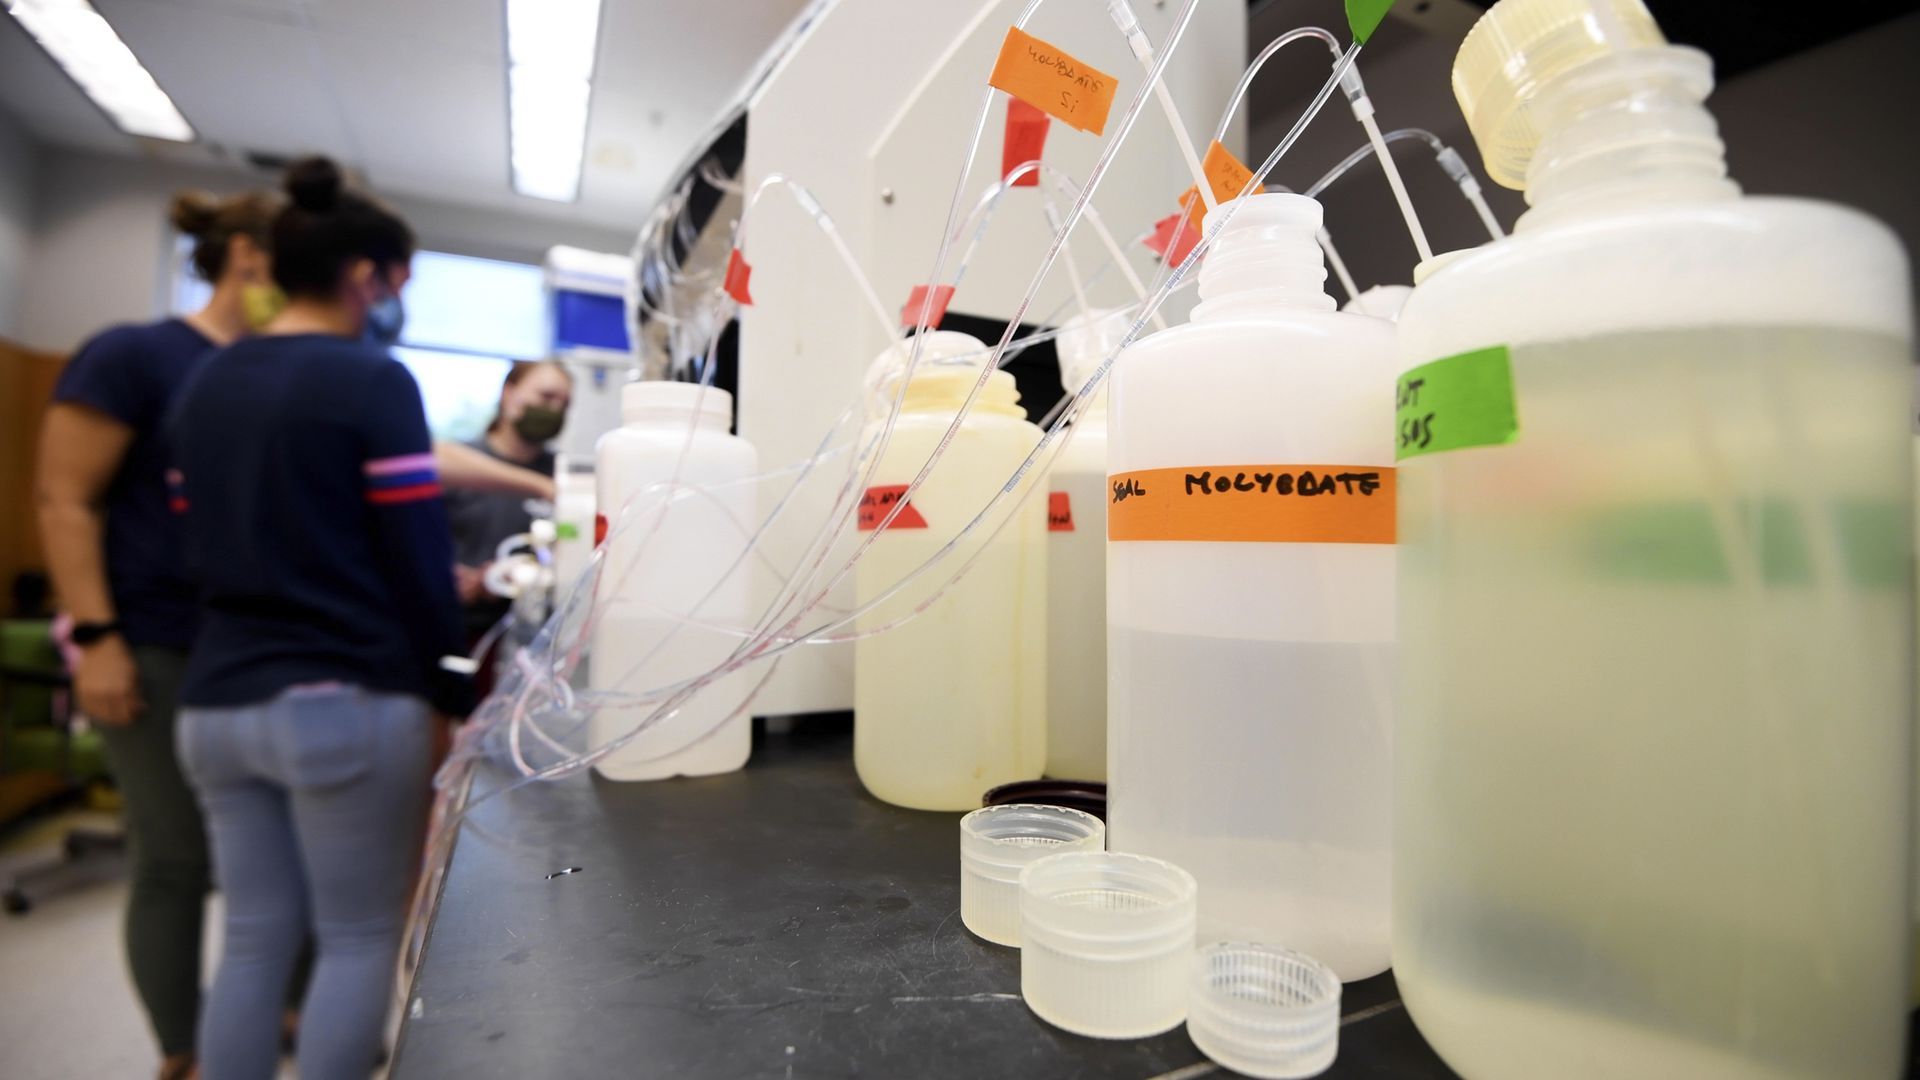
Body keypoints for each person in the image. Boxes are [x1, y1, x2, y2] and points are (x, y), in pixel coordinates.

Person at [168, 156, 472, 1080]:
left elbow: (200, 546)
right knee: (357, 937)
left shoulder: (204, 384)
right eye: (399, 282)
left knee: (255, 942)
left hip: (214, 703)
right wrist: (446, 683)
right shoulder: (371, 380)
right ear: (362, 276)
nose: (397, 301)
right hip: (339, 700)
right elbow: (417, 559)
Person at [34, 187, 281, 1080]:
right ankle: (182, 1054)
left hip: (260, 649)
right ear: (249, 255)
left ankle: (274, 1017)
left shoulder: (281, 370)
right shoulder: (134, 356)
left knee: (277, 856)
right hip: (152, 642)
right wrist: (98, 635)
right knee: (175, 857)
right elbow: (66, 500)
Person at [444, 359, 573, 637]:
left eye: (565, 404)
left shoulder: (565, 479)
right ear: (509, 393)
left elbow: (573, 538)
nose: (555, 410)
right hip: (451, 624)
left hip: (525, 632)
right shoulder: (459, 464)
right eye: (546, 396)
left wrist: (525, 573)